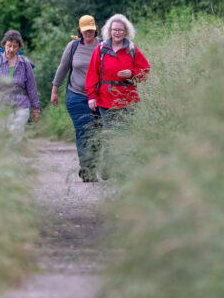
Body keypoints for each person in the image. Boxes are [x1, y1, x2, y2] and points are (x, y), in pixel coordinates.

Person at [85, 14, 150, 176]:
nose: (117, 33)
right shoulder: (101, 49)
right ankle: (108, 165)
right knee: (109, 131)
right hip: (105, 98)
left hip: (127, 97)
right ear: (109, 31)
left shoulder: (132, 49)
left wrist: (131, 73)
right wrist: (91, 96)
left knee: (124, 133)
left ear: (126, 31)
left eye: (120, 30)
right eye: (114, 30)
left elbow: (145, 71)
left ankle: (122, 167)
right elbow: (92, 74)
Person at [50, 15, 101, 182]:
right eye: (85, 30)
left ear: (95, 29)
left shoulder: (102, 46)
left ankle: (93, 164)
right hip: (76, 96)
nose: (88, 33)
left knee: (99, 132)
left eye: (90, 29)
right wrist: (54, 90)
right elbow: (62, 68)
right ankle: (87, 168)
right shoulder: (73, 47)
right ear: (80, 31)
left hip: (99, 97)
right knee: (84, 131)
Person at [0, 29, 41, 138]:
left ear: (19, 47)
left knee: (15, 133)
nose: (11, 49)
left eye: (15, 46)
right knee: (1, 136)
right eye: (9, 45)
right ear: (4, 44)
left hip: (21, 105)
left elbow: (31, 87)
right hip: (0, 106)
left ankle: (15, 151)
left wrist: (36, 109)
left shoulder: (25, 63)